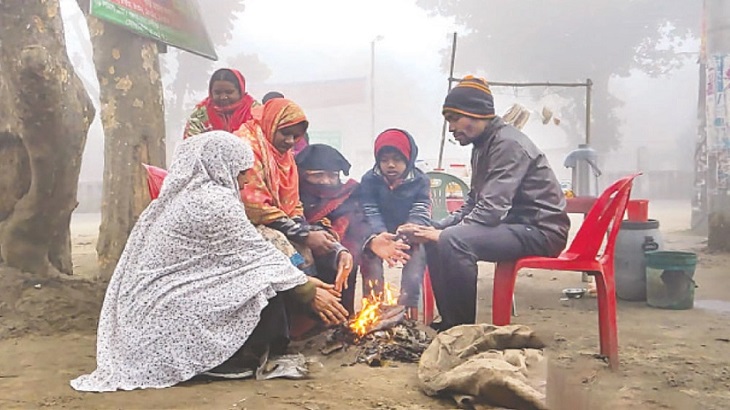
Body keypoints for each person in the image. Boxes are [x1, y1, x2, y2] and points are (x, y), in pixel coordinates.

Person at [70, 131, 348, 392]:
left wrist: (311, 268)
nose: (246, 181)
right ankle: (232, 359)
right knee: (264, 284)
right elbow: (255, 257)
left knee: (282, 264)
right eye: (241, 172)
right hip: (167, 305)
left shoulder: (198, 196)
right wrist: (306, 287)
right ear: (219, 166)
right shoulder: (212, 202)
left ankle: (283, 333)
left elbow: (265, 248)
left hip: (170, 297)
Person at [405, 76, 571, 332]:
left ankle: (463, 332)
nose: (450, 128)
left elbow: (491, 211)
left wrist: (445, 233)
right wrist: (436, 227)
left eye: (453, 119)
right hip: (514, 227)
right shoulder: (483, 145)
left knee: (452, 240)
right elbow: (474, 202)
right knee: (439, 239)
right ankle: (450, 324)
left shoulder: (508, 144)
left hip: (540, 230)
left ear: (475, 113)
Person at [235, 99, 354, 297]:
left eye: (296, 136)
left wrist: (334, 247)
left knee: (318, 248)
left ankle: (321, 310)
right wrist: (304, 235)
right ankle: (310, 300)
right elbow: (254, 208)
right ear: (270, 125)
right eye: (285, 133)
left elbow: (293, 207)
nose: (291, 141)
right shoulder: (247, 147)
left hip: (274, 223)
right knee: (290, 252)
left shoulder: (284, 156)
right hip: (243, 228)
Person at [359, 128, 431, 319]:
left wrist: (406, 234)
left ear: (408, 159)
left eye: (397, 159)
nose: (390, 165)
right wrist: (381, 235)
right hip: (378, 233)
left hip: (409, 231)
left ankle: (408, 313)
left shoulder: (420, 180)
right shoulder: (369, 179)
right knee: (369, 256)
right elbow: (369, 210)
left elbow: (421, 209)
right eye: (384, 160)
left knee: (415, 260)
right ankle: (373, 309)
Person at [296, 144, 372, 314]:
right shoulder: (291, 196)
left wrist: (368, 242)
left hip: (337, 251)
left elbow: (359, 225)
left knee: (349, 259)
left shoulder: (348, 194)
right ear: (302, 174)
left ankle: (342, 316)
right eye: (318, 175)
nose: (326, 181)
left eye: (332, 176)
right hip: (296, 257)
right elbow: (289, 229)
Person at [183, 68, 258, 139]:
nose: (223, 97)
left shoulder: (255, 111)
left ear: (240, 91)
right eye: (217, 92)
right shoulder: (200, 113)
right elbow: (191, 144)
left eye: (229, 92)